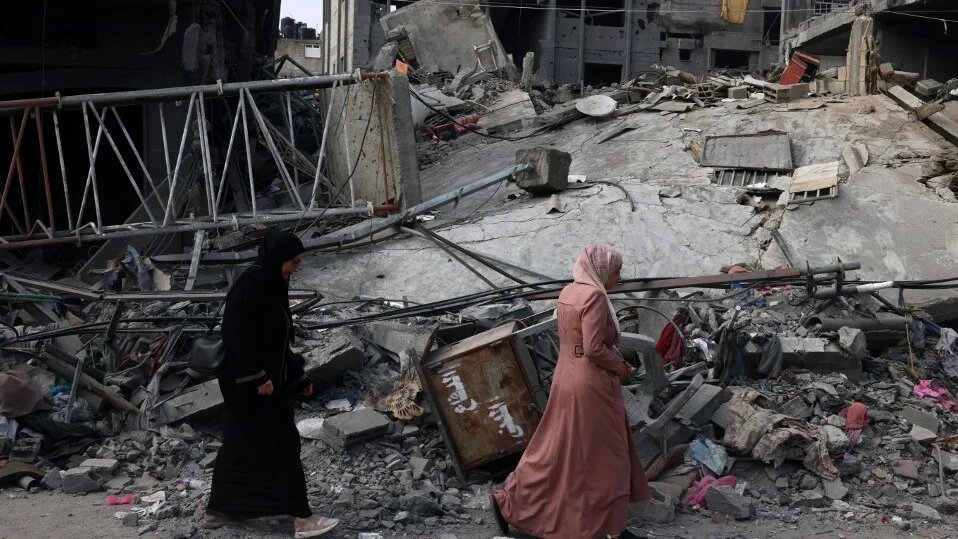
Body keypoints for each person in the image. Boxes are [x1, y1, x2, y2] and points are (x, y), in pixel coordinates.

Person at [491, 244, 650, 539]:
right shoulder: (595, 297)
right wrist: (620, 367)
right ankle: (612, 528)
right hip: (590, 385)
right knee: (608, 455)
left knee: (557, 450)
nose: (619, 277)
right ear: (602, 269)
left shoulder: (568, 292)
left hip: (565, 377)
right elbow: (594, 348)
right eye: (616, 271)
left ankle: (512, 501)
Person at [204, 229, 339, 538]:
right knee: (283, 444)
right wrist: (256, 376)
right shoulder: (252, 285)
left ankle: (220, 510)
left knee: (242, 445)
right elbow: (234, 335)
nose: (297, 268)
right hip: (248, 386)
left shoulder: (272, 284)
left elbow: (276, 342)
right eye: (295, 261)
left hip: (264, 384)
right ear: (279, 258)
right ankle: (302, 518)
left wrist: (297, 377)